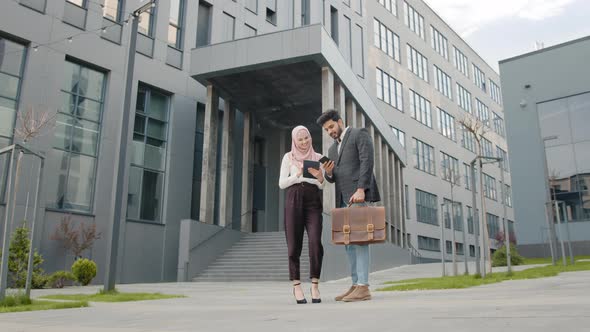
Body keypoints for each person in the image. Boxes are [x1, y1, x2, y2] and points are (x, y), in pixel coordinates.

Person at [316, 110, 380, 302]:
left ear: (340, 122)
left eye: (331, 127)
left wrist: (361, 189)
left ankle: (364, 286)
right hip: (344, 200)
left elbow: (367, 162)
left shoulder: (359, 134)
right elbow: (333, 178)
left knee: (360, 241)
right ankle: (355, 284)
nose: (330, 131)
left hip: (358, 196)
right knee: (349, 245)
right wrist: (328, 172)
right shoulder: (332, 150)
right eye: (327, 129)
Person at [279, 125, 325, 304]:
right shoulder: (288, 157)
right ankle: (297, 285)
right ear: (294, 141)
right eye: (300, 139)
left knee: (315, 242)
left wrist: (320, 177)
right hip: (294, 197)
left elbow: (322, 185)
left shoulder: (318, 157)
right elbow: (282, 183)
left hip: (313, 199)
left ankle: (315, 285)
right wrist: (297, 175)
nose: (304, 142)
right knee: (293, 244)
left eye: (306, 138)